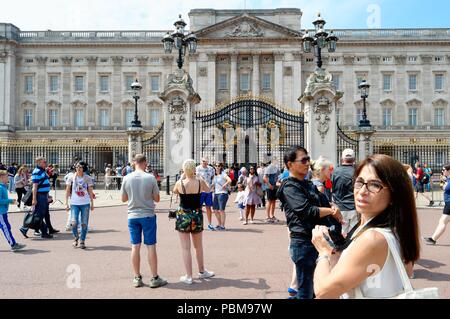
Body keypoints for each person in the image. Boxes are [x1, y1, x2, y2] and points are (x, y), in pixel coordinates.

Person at [311, 154, 420, 299]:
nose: (362, 191)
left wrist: (323, 252)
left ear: (394, 194)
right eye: (359, 182)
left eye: (375, 185)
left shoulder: (373, 238)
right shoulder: (396, 229)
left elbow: (323, 292)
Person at [277, 146, 343, 299]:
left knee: (314, 289)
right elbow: (306, 211)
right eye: (304, 160)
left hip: (316, 240)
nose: (308, 163)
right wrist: (332, 211)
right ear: (289, 164)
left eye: (309, 159)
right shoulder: (289, 186)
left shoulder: (308, 184)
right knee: (306, 291)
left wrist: (333, 206)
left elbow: (324, 202)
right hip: (303, 241)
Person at [120, 154, 167, 288]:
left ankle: (137, 277)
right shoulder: (150, 177)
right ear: (145, 163)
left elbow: (123, 199)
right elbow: (157, 198)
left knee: (135, 246)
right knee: (150, 246)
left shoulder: (127, 178)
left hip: (132, 215)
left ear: (134, 163)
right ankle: (154, 277)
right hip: (148, 215)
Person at [173, 159, 215, 284]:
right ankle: (202, 271)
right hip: (196, 214)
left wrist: (183, 177)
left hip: (183, 215)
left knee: (186, 248)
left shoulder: (180, 182)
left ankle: (189, 276)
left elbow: (174, 191)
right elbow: (208, 190)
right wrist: (199, 177)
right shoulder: (199, 181)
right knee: (198, 246)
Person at [20, 157, 58, 239]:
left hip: (43, 195)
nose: (46, 163)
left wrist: (47, 195)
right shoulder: (36, 171)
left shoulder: (42, 171)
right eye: (44, 162)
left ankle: (25, 228)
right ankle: (44, 232)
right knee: (39, 215)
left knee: (39, 214)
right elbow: (35, 186)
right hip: (40, 195)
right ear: (39, 163)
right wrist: (34, 199)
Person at [65, 162, 95, 249]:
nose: (78, 168)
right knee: (74, 223)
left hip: (85, 203)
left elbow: (90, 191)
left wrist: (92, 203)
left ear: (84, 168)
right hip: (74, 203)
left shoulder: (88, 178)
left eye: (80, 167)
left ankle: (82, 240)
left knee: (84, 224)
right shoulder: (71, 177)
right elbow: (67, 190)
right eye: (77, 166)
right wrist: (66, 203)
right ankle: (75, 237)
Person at [331, 149, 358, 237]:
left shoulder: (335, 172)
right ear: (354, 160)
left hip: (340, 207)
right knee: (353, 235)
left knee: (341, 234)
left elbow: (331, 188)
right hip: (354, 206)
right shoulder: (357, 172)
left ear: (342, 159)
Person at [423, 164, 450, 245]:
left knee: (442, 221)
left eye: (443, 170)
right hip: (448, 202)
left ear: (449, 171)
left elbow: (445, 188)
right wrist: (443, 180)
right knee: (443, 221)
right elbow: (443, 188)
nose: (442, 171)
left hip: (449, 203)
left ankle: (433, 239)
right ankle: (433, 238)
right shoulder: (447, 179)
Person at [0, 170, 26, 251]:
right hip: (1, 212)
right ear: (1, 177)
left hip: (3, 211)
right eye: (6, 176)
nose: (8, 178)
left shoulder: (3, 186)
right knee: (6, 228)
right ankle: (13, 244)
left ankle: (13, 242)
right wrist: (10, 201)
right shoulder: (0, 187)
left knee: (7, 227)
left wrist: (10, 201)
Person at [196, 158, 217, 231]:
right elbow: (196, 178)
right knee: (199, 208)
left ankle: (210, 224)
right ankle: (199, 224)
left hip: (209, 191)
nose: (205, 163)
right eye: (203, 161)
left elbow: (213, 178)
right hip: (200, 191)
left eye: (206, 161)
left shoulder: (211, 169)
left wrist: (212, 186)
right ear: (201, 161)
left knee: (208, 207)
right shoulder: (197, 168)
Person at [212, 163, 231, 230]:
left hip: (222, 193)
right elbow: (214, 184)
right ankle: (219, 224)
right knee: (215, 210)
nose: (217, 167)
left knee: (221, 210)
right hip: (216, 193)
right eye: (216, 166)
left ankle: (222, 225)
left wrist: (224, 185)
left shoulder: (223, 174)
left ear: (221, 167)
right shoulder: (215, 175)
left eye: (219, 166)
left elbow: (229, 180)